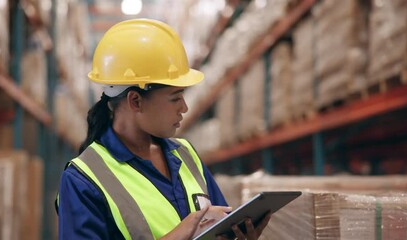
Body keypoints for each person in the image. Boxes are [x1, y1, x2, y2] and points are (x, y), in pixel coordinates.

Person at [56, 18, 270, 240]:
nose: (184, 108)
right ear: (136, 101)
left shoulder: (185, 154)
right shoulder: (83, 180)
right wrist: (181, 233)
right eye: (175, 98)